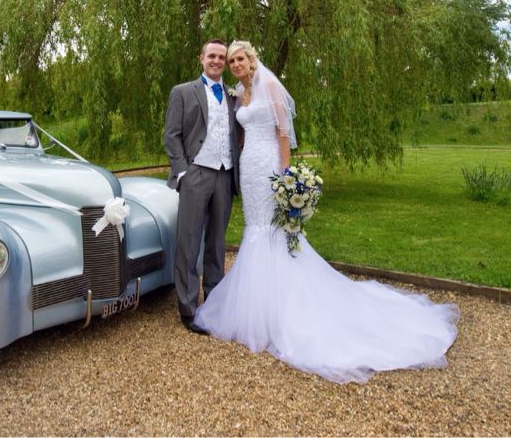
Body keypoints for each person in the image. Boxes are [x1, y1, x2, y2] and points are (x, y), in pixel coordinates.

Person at [193, 40, 459, 383]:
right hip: (249, 167)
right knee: (256, 227)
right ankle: (261, 310)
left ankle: (285, 311)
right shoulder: (240, 94)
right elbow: (240, 132)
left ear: (251, 58)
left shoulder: (269, 84)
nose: (235, 64)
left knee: (273, 230)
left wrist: (285, 177)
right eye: (231, 61)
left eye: (239, 59)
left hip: (271, 165)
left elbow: (283, 131)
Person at [164, 38, 240, 334]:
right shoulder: (183, 92)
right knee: (189, 242)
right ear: (201, 58)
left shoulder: (234, 95)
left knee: (217, 242)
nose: (218, 61)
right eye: (213, 56)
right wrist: (182, 172)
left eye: (222, 57)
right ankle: (188, 308)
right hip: (196, 173)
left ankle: (214, 301)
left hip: (225, 173)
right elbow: (172, 135)